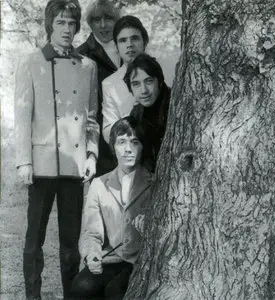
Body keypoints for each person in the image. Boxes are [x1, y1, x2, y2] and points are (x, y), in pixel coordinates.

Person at [14, 0, 100, 298]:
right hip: (41, 164)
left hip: (74, 166)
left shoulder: (88, 67)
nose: (67, 28)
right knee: (34, 239)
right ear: (50, 24)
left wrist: (91, 154)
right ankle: (32, 295)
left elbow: (91, 119)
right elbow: (23, 117)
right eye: (61, 22)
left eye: (72, 23)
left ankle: (70, 295)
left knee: (70, 242)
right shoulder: (30, 62)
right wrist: (24, 161)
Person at [72, 116, 153, 299]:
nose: (128, 149)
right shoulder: (100, 184)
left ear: (142, 147)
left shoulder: (153, 183)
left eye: (135, 142)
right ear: (113, 147)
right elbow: (91, 232)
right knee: (80, 287)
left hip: (141, 262)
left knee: (115, 292)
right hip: (114, 258)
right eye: (121, 142)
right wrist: (92, 255)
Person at [77, 0, 121, 175]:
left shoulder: (128, 46)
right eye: (96, 20)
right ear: (90, 23)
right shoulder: (81, 55)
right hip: (101, 144)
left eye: (108, 18)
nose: (103, 25)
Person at [101, 15, 149, 143]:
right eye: (123, 40)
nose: (129, 45)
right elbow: (107, 130)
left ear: (144, 42)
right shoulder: (110, 83)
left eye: (135, 38)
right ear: (116, 47)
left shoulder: (160, 71)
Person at [124, 53, 171, 172]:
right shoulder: (136, 113)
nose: (143, 90)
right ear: (130, 89)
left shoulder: (175, 105)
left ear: (159, 81)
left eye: (149, 81)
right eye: (136, 84)